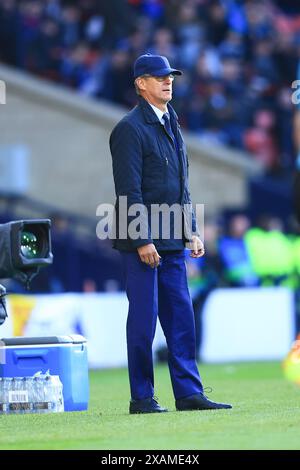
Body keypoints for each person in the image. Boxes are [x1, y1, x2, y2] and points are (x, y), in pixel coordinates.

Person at [109, 53, 232, 414]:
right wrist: (142, 239)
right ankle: (142, 398)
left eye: (170, 76)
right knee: (144, 322)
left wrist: (191, 230)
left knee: (181, 318)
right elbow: (128, 191)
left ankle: (188, 393)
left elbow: (182, 186)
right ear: (140, 84)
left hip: (173, 240)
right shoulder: (129, 129)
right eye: (159, 76)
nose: (168, 81)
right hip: (143, 242)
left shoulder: (172, 122)